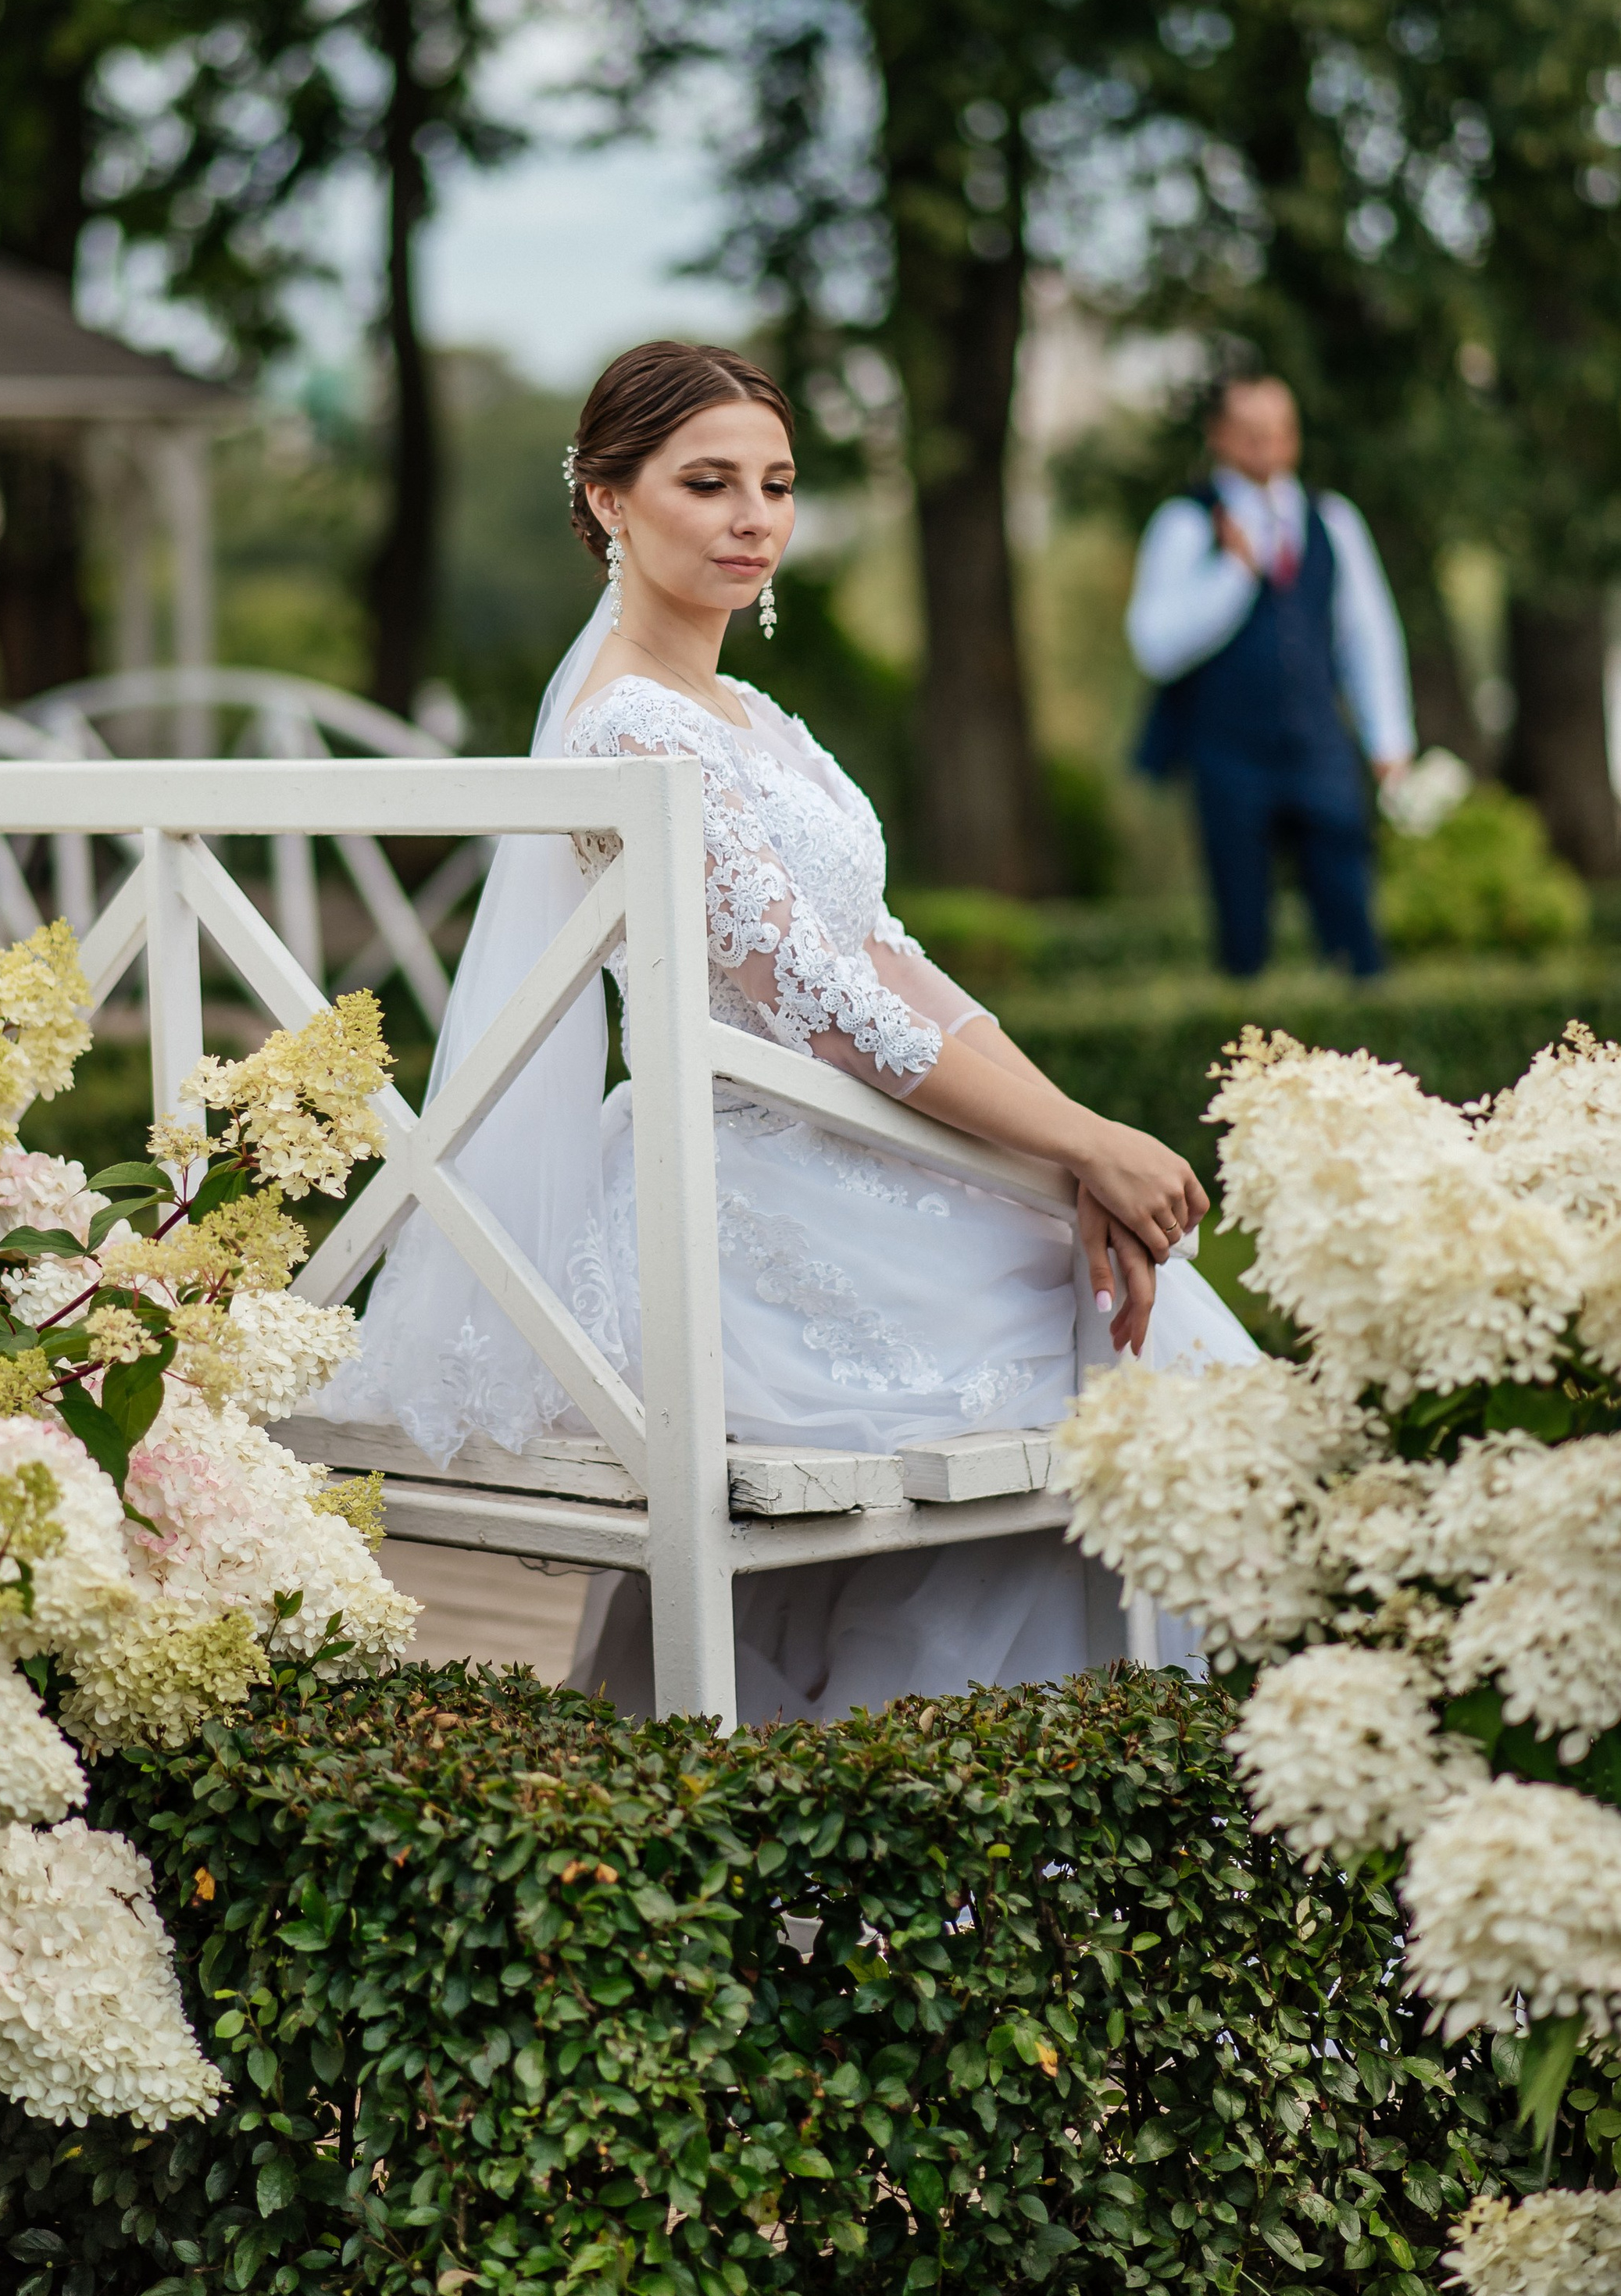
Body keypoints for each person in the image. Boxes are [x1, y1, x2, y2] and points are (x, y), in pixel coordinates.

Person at [304, 340, 1255, 1722]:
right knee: (1115, 1341)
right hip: (741, 1184)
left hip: (841, 1153)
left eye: (778, 483)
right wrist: (1076, 1149)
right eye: (708, 483)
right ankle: (984, 1759)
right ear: (609, 500)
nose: (753, 517)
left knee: (1122, 1303)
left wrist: (1080, 1135)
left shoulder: (749, 715)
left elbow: (888, 956)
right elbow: (832, 1011)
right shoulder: (632, 728)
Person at [1126, 372, 1414, 980]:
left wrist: (1388, 738)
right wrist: (1233, 575)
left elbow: (1368, 634)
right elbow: (1154, 646)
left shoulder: (1333, 519)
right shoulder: (1186, 524)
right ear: (1220, 435)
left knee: (1352, 921)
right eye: (1251, 430)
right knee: (1241, 931)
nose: (1268, 444)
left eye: (1280, 429)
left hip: (1319, 746)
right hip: (1228, 754)